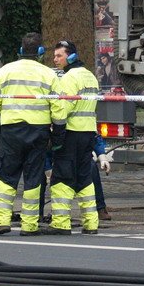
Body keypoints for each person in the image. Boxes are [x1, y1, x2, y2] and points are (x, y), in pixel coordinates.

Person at [0, 32, 56, 236]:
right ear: (41, 52)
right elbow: (57, 107)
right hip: (38, 132)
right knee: (34, 178)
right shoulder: (49, 74)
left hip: (11, 130)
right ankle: (29, 225)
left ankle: (1, 221)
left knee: (6, 176)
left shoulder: (5, 71)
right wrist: (57, 133)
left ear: (20, 51)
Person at [48, 40, 100, 234]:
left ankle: (61, 224)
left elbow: (63, 110)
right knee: (85, 178)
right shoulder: (91, 76)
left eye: (59, 55)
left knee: (62, 177)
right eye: (55, 56)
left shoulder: (69, 78)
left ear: (70, 57)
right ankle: (91, 223)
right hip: (87, 134)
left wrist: (57, 137)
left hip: (70, 134)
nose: (55, 59)